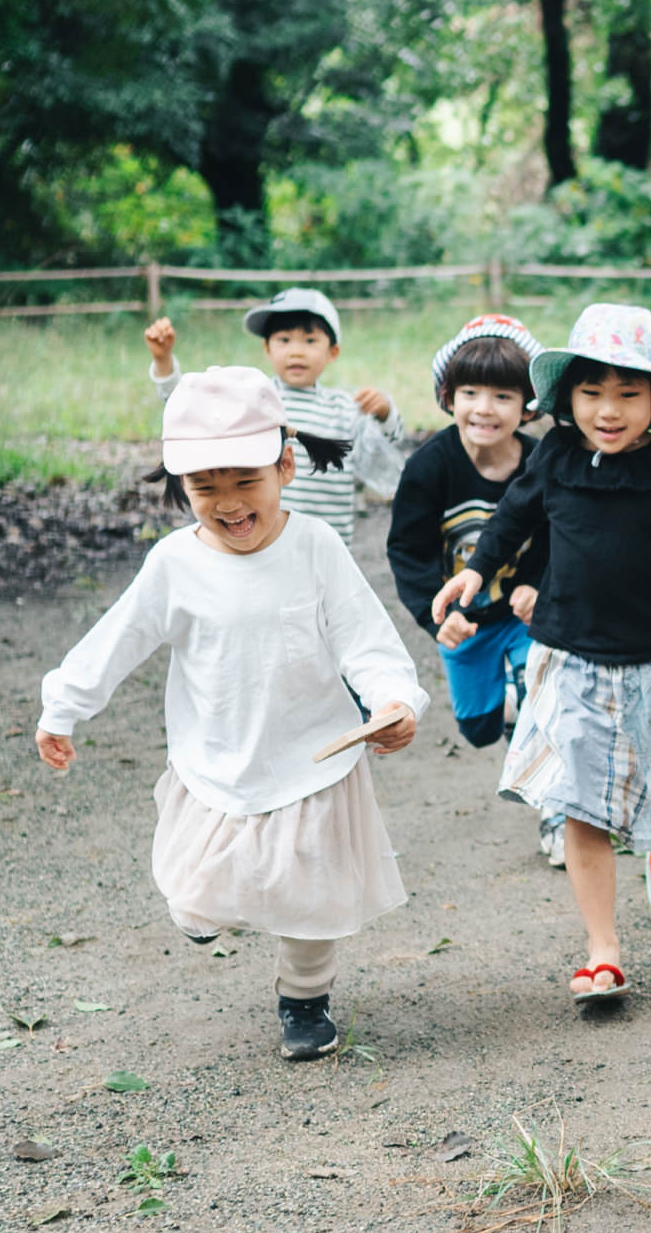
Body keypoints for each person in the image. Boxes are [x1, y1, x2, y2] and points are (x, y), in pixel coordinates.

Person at [36, 366, 426, 1061]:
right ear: (181, 487)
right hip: (214, 755)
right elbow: (118, 638)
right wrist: (63, 708)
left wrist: (396, 700)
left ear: (286, 465)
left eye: (245, 481)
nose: (227, 503)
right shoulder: (174, 563)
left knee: (311, 889)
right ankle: (203, 909)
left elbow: (366, 639)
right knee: (196, 889)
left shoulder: (315, 548)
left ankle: (304, 1000)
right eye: (204, 487)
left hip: (314, 756)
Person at [432, 304, 651, 1005]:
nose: (608, 411)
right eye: (592, 394)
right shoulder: (553, 454)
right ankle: (603, 951)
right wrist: (473, 572)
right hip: (570, 654)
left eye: (627, 394)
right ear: (568, 398)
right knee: (579, 802)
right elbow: (513, 518)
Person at [386, 314, 565, 864]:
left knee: (540, 693)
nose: (484, 408)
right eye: (470, 393)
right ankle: (511, 719)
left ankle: (557, 811)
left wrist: (537, 583)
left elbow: (564, 532)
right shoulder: (429, 467)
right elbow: (408, 551)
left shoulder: (542, 460)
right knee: (479, 726)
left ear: (528, 406)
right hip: (462, 621)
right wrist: (433, 615)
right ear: (447, 396)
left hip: (524, 613)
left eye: (502, 396)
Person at [144, 288, 405, 545]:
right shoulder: (252, 399)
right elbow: (189, 410)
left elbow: (386, 446)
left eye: (310, 340)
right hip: (261, 539)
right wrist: (163, 361)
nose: (296, 351)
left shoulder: (344, 408)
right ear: (267, 348)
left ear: (332, 352)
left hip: (327, 544)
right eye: (284, 340)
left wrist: (384, 413)